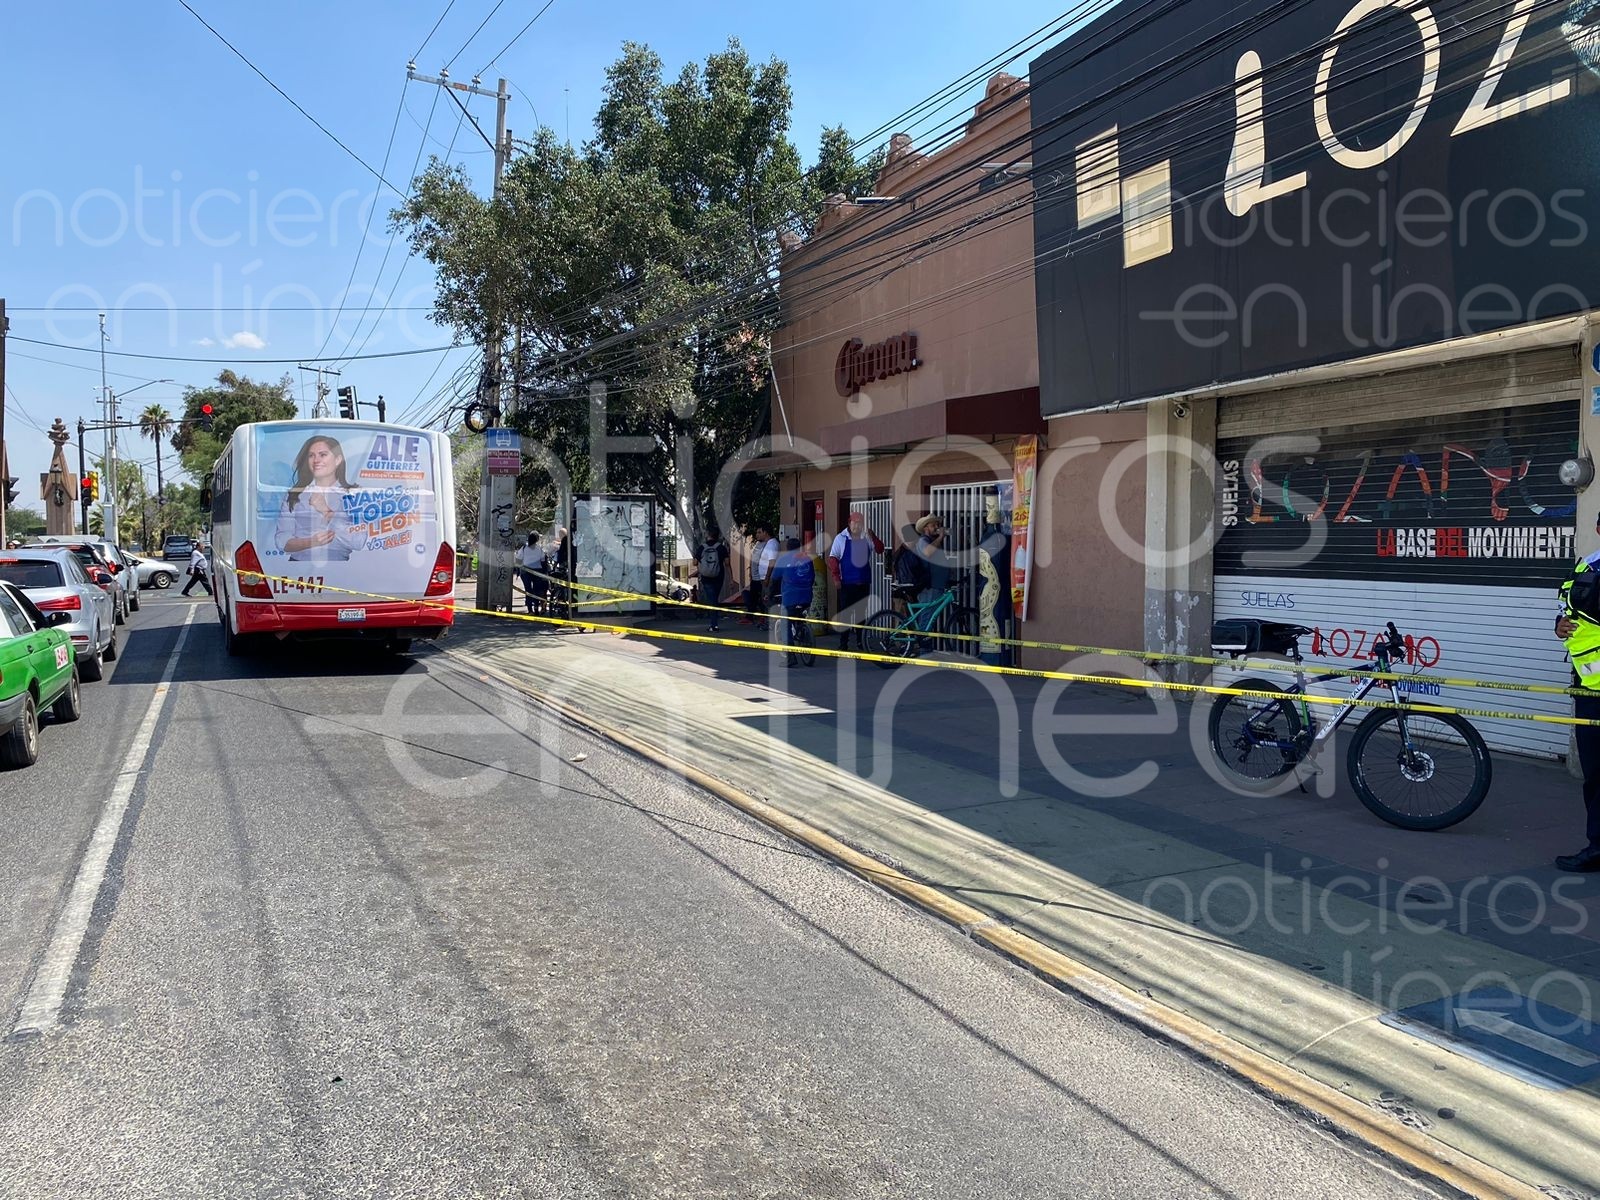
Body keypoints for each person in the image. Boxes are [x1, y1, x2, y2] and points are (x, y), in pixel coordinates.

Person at [1554, 531, 1600, 872]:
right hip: (1589, 686)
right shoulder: (1586, 564)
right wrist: (1559, 625)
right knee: (1595, 773)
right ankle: (1597, 846)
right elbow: (1566, 608)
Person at [274, 435, 359, 562]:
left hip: (341, 569)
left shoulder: (353, 494)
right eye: (311, 455)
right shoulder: (295, 494)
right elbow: (282, 540)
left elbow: (358, 540)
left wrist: (327, 513)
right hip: (298, 569)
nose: (316, 460)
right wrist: (311, 542)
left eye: (323, 455)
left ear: (337, 460)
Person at [828, 511, 883, 651]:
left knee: (861, 614)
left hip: (863, 582)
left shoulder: (866, 537)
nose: (856, 525)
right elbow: (833, 559)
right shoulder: (841, 538)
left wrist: (874, 536)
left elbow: (880, 549)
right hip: (847, 583)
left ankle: (861, 642)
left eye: (859, 523)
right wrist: (836, 578)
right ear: (849, 523)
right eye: (854, 522)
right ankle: (843, 644)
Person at [771, 536, 817, 668]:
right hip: (807, 597)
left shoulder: (784, 559)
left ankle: (790, 657)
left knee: (785, 624)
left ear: (787, 548)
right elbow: (812, 577)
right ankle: (803, 632)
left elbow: (775, 578)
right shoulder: (808, 559)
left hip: (790, 598)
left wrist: (770, 594)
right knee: (801, 616)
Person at [693, 525, 731, 634]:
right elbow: (727, 563)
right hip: (718, 577)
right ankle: (714, 623)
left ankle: (713, 625)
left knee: (712, 601)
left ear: (708, 535)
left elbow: (695, 563)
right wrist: (731, 579)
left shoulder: (702, 547)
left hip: (706, 578)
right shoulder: (721, 548)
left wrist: (703, 566)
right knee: (715, 600)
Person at [890, 522, 929, 615]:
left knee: (906, 622)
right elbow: (908, 577)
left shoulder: (902, 552)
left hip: (905, 593)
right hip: (908, 594)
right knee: (907, 623)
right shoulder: (908, 555)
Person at [915, 513, 954, 604]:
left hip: (937, 585)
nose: (936, 527)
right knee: (927, 615)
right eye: (933, 525)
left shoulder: (933, 541)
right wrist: (940, 537)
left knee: (932, 615)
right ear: (925, 528)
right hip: (930, 586)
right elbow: (927, 552)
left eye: (937, 525)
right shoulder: (923, 540)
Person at [745, 526, 779, 630]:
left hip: (768, 578)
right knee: (765, 600)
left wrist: (767, 577)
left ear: (766, 532)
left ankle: (771, 624)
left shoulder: (772, 544)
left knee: (768, 600)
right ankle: (769, 622)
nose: (757, 535)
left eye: (760, 532)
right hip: (763, 577)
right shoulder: (767, 544)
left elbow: (772, 562)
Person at [518, 532, 549, 616]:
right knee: (537, 591)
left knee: (528, 590)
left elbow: (518, 558)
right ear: (537, 540)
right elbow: (543, 561)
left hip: (525, 572)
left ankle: (530, 609)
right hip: (537, 571)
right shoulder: (539, 549)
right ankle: (536, 607)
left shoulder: (524, 548)